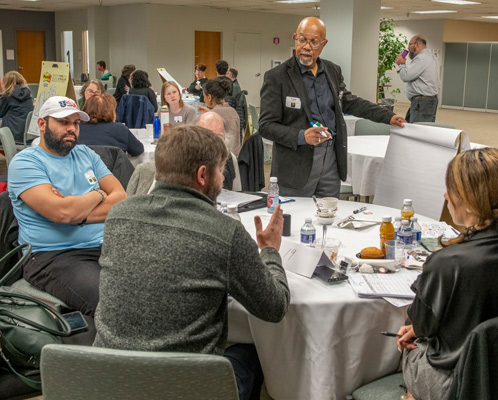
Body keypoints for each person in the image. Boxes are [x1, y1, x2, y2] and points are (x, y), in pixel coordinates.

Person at [94, 125, 289, 400]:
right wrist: (269, 251)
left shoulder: (118, 216)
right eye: (220, 171)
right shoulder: (225, 232)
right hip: (185, 387)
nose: (222, 178)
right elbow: (275, 307)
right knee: (257, 349)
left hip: (106, 380)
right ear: (202, 175)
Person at [396, 148, 498, 400]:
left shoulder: (446, 262)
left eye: (451, 190)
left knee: (407, 336)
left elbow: (423, 326)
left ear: (468, 200)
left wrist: (416, 327)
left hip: (457, 381)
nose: (445, 195)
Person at [7, 96, 127, 316]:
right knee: (115, 302)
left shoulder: (86, 154)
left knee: (155, 283)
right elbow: (62, 212)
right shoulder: (26, 162)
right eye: (63, 122)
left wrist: (77, 211)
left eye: (76, 123)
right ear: (42, 124)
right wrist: (99, 194)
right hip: (53, 256)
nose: (72, 128)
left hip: (104, 245)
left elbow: (120, 198)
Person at [259, 17, 405, 198]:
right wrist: (301, 136)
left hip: (330, 160)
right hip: (296, 164)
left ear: (323, 44)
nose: (306, 47)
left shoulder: (332, 70)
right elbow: (266, 126)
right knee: (293, 218)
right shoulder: (277, 77)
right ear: (295, 38)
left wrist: (387, 116)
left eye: (314, 42)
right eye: (302, 40)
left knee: (328, 214)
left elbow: (349, 102)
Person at [79, 93, 144, 156]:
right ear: (111, 111)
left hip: (81, 167)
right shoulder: (120, 130)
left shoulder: (76, 128)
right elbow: (138, 150)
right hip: (111, 167)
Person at [394, 35, 440, 123]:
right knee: (410, 126)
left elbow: (406, 76)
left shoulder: (421, 58)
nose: (408, 47)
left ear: (417, 44)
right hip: (426, 101)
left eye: (410, 44)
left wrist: (401, 64)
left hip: (422, 103)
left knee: (418, 130)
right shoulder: (431, 56)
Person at [197, 111, 240, 191]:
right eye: (207, 136)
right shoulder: (187, 162)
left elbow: (237, 194)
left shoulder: (231, 159)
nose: (213, 142)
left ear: (225, 137)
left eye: (218, 136)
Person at [199, 78, 241, 156]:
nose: (204, 99)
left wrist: (210, 114)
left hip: (222, 160)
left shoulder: (213, 116)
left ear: (209, 97)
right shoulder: (233, 111)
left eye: (204, 96)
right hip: (235, 158)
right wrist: (210, 112)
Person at [0, 71, 34, 143]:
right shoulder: (28, 94)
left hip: (11, 136)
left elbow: (1, 113)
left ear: (6, 82)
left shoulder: (8, 96)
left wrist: (3, 91)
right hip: (27, 136)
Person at [227, 66, 248, 142]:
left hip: (235, 118)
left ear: (230, 75)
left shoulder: (234, 87)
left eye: (226, 73)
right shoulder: (235, 85)